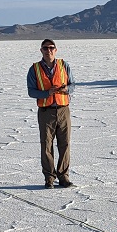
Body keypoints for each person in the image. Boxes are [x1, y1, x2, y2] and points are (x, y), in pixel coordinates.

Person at [27, 38, 75, 189]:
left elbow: (72, 85)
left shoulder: (64, 65)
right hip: (46, 112)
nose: (49, 50)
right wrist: (48, 92)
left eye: (51, 48)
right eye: (45, 48)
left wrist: (65, 90)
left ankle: (64, 177)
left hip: (63, 110)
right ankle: (49, 178)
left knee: (65, 144)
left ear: (56, 50)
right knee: (46, 145)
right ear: (41, 50)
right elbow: (31, 91)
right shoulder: (34, 69)